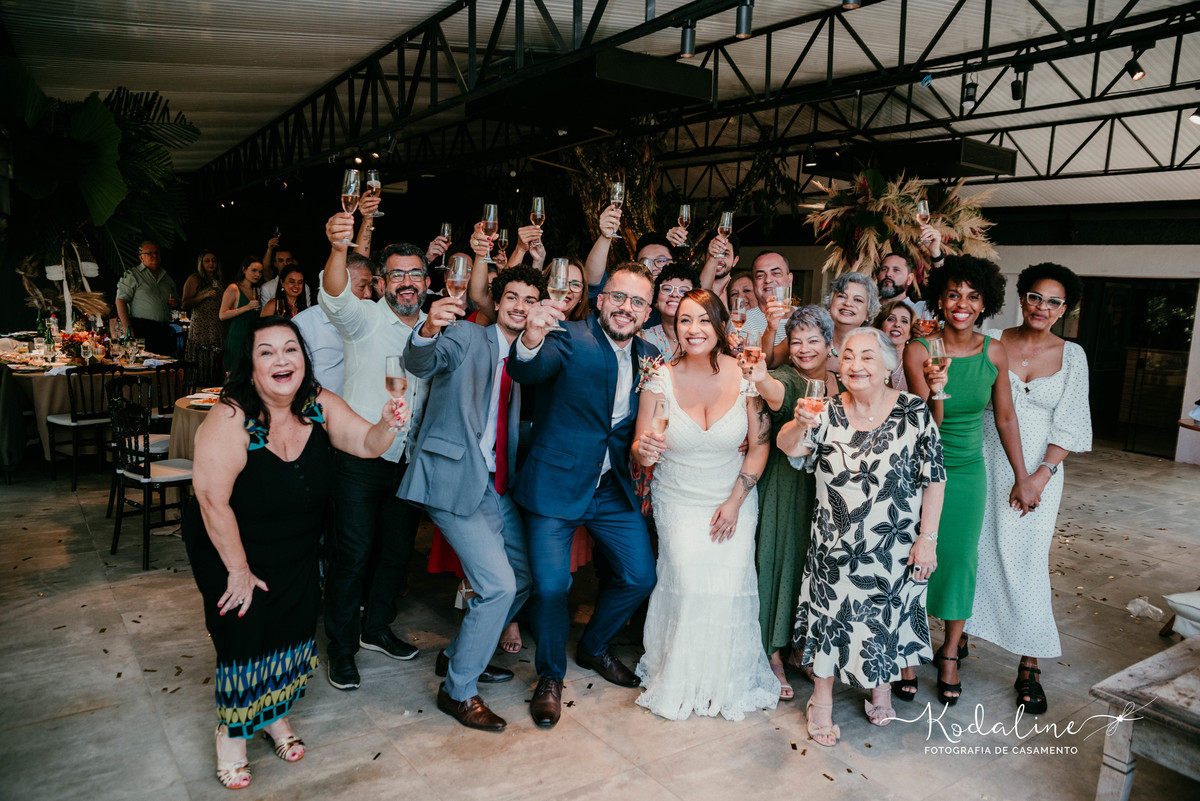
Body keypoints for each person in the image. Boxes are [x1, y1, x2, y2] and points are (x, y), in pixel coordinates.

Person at [185, 316, 409, 790]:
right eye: (267, 352)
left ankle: (272, 717)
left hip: (295, 546)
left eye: (290, 349)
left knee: (290, 627)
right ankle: (232, 734)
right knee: (244, 635)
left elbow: (367, 444)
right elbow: (210, 498)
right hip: (229, 544)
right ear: (250, 365)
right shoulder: (231, 416)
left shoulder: (318, 404)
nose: (281, 359)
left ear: (303, 359)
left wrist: (388, 424)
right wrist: (238, 570)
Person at [506, 261, 660, 729]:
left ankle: (593, 647)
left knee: (640, 576)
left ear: (648, 311)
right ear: (600, 298)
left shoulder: (652, 353)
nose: (626, 308)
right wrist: (531, 338)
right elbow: (526, 370)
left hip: (611, 488)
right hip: (556, 484)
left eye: (637, 301)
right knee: (552, 586)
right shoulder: (566, 336)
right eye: (618, 297)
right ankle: (550, 676)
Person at [777, 327, 945, 746]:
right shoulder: (826, 410)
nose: (855, 365)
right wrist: (799, 424)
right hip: (833, 546)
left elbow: (935, 479)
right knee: (830, 622)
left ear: (890, 365)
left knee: (883, 620)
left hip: (894, 545)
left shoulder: (914, 412)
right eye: (848, 356)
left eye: (868, 357)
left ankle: (881, 687)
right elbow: (789, 448)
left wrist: (929, 538)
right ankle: (821, 700)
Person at [401, 266, 546, 731]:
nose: (519, 305)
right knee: (499, 585)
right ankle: (458, 690)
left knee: (523, 576)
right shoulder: (465, 335)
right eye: (512, 296)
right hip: (450, 475)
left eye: (529, 298)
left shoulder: (531, 353)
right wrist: (426, 329)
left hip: (494, 482)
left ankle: (463, 653)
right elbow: (420, 362)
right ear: (496, 301)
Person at [631, 288, 778, 720]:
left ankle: (726, 680)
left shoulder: (747, 374)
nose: (693, 330)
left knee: (729, 586)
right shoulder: (658, 375)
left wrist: (734, 501)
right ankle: (678, 677)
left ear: (719, 326)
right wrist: (646, 450)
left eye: (703, 320)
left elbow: (759, 447)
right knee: (692, 584)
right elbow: (641, 444)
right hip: (677, 497)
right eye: (684, 321)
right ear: (674, 328)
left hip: (733, 494)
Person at [903, 255, 1039, 707]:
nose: (962, 303)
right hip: (921, 467)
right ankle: (906, 651)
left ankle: (948, 653)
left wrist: (1023, 477)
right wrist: (936, 386)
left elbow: (1004, 416)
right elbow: (926, 423)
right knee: (912, 556)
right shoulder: (920, 350)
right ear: (940, 299)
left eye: (972, 296)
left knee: (960, 559)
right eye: (954, 294)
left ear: (985, 304)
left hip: (967, 470)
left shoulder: (993, 350)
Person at [967, 263, 1092, 715]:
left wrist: (1038, 476)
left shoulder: (1072, 356)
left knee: (1028, 561)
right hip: (983, 458)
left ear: (1065, 310)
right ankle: (957, 636)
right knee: (973, 551)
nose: (1042, 307)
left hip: (1041, 472)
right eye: (1036, 297)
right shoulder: (993, 341)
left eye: (1054, 301)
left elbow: (1072, 422)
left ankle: (1029, 662)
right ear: (1023, 298)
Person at [319, 213, 430, 691]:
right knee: (353, 556)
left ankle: (376, 628)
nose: (407, 283)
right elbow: (336, 291)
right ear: (382, 282)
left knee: (395, 553)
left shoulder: (437, 325)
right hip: (360, 461)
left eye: (415, 274)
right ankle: (341, 649)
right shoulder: (363, 319)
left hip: (409, 462)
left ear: (428, 281)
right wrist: (339, 248)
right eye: (397, 274)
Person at [744, 305, 837, 700]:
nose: (803, 348)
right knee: (778, 560)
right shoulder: (786, 378)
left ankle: (798, 645)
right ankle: (772, 653)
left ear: (829, 345)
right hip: (784, 485)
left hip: (826, 491)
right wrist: (761, 376)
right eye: (796, 341)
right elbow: (774, 392)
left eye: (813, 340)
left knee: (807, 568)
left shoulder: (841, 382)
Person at [292, 254, 375, 395]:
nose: (368, 294)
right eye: (362, 287)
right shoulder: (303, 325)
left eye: (370, 287)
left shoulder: (371, 318)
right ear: (340, 286)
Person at [115, 241, 179, 356]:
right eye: (150, 253)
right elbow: (120, 301)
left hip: (165, 330)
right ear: (141, 257)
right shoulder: (132, 275)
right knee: (145, 366)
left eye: (156, 252)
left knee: (166, 367)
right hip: (142, 329)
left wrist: (175, 303)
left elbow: (177, 300)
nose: (154, 256)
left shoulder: (167, 277)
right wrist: (127, 329)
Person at [823, 272, 880, 376]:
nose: (848, 303)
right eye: (842, 296)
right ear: (830, 303)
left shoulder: (876, 351)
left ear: (868, 313)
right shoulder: (809, 338)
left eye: (858, 300)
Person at [742, 251, 792, 365]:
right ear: (754, 283)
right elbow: (755, 363)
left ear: (790, 279)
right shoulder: (742, 321)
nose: (768, 280)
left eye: (776, 273)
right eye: (760, 275)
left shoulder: (806, 317)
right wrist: (770, 328)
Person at [638, 264, 698, 360]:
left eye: (683, 291)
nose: (674, 294)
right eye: (667, 289)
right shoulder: (644, 339)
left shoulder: (703, 336)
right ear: (656, 300)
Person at [219, 257, 263, 374]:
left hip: (253, 339)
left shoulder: (257, 290)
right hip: (238, 336)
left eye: (260, 272)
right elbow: (222, 315)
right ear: (244, 270)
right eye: (254, 270)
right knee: (235, 373)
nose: (257, 274)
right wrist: (246, 307)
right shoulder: (234, 288)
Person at [182, 250, 224, 362]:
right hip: (201, 324)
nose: (211, 263)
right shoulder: (194, 278)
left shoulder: (218, 279)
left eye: (214, 261)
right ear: (201, 263)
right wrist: (204, 295)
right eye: (207, 261)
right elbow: (185, 304)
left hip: (216, 324)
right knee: (201, 354)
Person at [873, 298, 915, 391]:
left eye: (904, 321)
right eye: (891, 319)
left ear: (910, 334)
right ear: (880, 327)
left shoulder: (915, 363)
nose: (897, 324)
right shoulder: (869, 360)